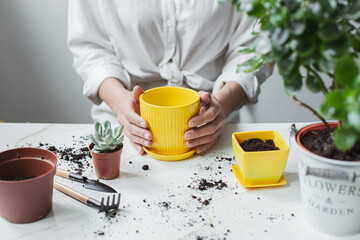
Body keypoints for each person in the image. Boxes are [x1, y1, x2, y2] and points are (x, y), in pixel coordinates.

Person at [68, 0, 273, 155]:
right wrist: (121, 104)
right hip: (124, 128)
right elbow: (90, 46)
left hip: (212, 125)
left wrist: (222, 105)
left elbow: (255, 46)